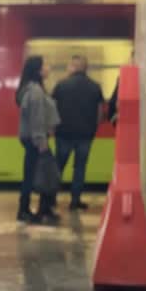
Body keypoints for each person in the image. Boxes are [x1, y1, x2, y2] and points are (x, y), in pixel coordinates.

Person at [51, 55, 105, 211]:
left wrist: (54, 128)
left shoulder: (61, 85)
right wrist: (93, 129)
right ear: (85, 68)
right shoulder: (95, 87)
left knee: (58, 167)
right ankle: (75, 201)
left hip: (63, 134)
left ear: (74, 67)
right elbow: (100, 113)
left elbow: (52, 108)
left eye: (69, 65)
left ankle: (50, 198)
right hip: (85, 135)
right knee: (80, 169)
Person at [16, 55, 61, 225]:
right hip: (35, 139)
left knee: (41, 172)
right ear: (38, 70)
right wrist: (41, 141)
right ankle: (24, 210)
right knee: (33, 175)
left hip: (34, 138)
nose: (48, 68)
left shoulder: (35, 88)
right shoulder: (34, 91)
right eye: (46, 65)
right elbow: (36, 119)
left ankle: (43, 209)